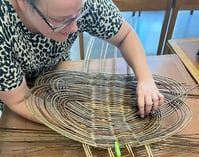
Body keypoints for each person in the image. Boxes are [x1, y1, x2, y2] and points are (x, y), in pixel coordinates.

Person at [0, 0, 164, 123]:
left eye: (78, 15)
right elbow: (20, 100)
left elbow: (125, 36)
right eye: (61, 20)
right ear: (23, 3)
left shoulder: (82, 3)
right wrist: (77, 121)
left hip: (57, 75)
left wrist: (146, 80)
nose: (74, 29)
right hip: (11, 92)